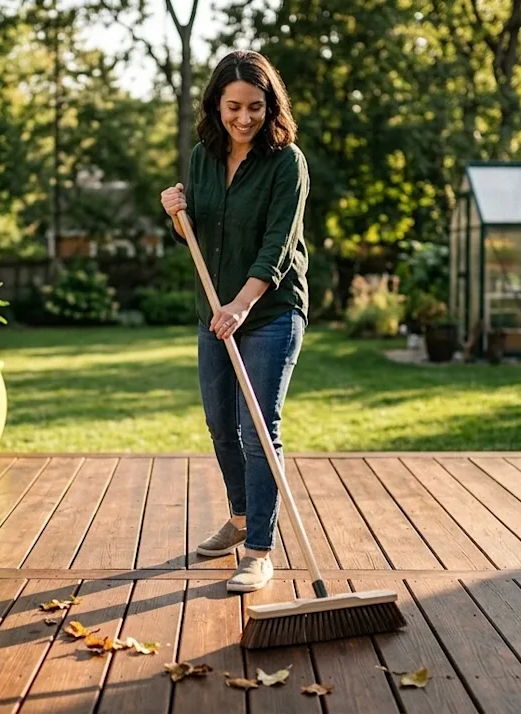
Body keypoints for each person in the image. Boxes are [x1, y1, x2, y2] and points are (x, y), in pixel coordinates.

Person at [160, 49, 310, 593]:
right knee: (222, 425)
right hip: (214, 310)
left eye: (254, 106)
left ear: (271, 106)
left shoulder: (287, 162)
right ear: (216, 105)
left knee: (257, 428)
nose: (244, 118)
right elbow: (197, 235)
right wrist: (177, 213)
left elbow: (278, 246)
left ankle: (260, 550)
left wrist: (242, 304)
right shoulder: (204, 156)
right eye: (233, 107)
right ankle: (241, 517)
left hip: (268, 310)